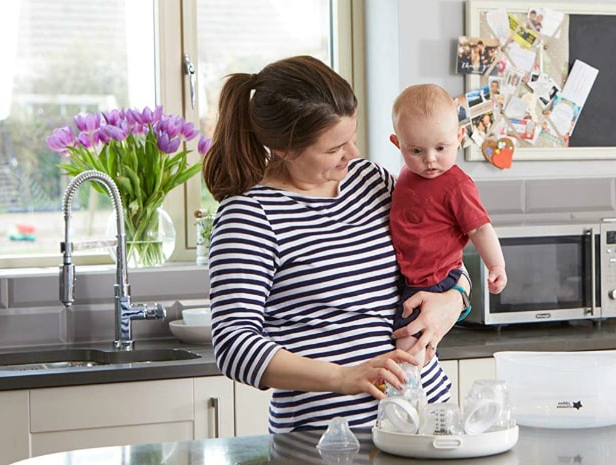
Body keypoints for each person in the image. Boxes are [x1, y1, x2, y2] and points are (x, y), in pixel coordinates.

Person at [202, 56, 470, 433]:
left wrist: (455, 298)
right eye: (334, 149)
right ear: (284, 149)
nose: (354, 155)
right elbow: (234, 346)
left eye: (352, 138)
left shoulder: (372, 182)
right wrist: (343, 377)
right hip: (326, 434)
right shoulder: (250, 216)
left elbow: (442, 254)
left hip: (426, 416)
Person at [388, 84, 507, 353]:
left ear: (460, 136)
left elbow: (480, 229)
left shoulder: (457, 186)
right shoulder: (405, 176)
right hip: (412, 276)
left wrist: (496, 265)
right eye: (416, 151)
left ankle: (408, 386)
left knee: (409, 341)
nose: (430, 160)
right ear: (398, 143)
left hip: (436, 277)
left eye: (441, 148)